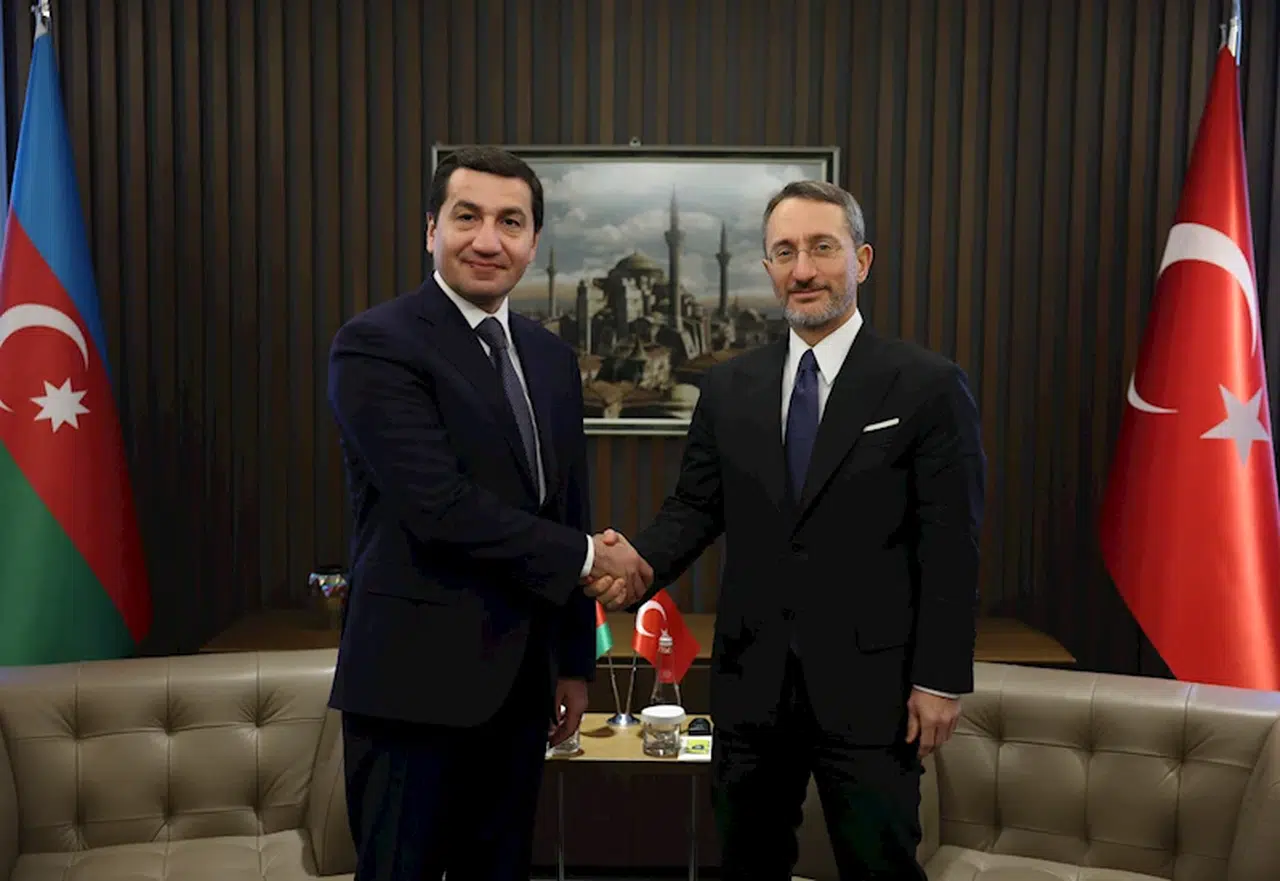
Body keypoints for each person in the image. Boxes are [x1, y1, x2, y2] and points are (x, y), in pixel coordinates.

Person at [587, 180, 985, 879]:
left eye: (822, 248)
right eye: (785, 251)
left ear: (861, 260)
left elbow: (952, 544)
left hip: (874, 691)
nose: (803, 269)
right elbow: (694, 508)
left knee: (880, 866)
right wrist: (638, 562)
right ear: (768, 267)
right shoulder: (728, 387)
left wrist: (941, 680)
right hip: (752, 685)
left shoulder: (926, 386)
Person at [326, 145, 652, 881]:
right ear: (431, 229)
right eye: (467, 216)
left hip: (520, 687)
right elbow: (438, 505)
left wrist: (574, 662)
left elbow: (567, 504)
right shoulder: (376, 344)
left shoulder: (551, 358)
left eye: (511, 222)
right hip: (410, 689)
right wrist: (590, 556)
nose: (487, 240)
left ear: (533, 243)